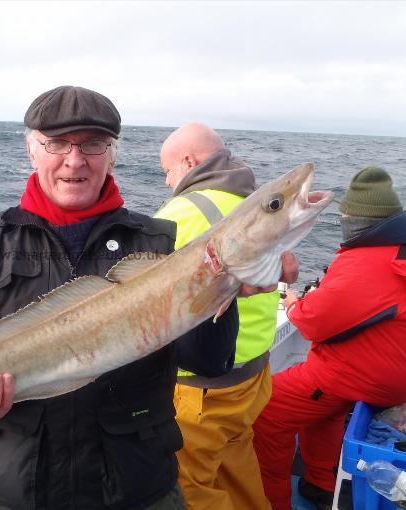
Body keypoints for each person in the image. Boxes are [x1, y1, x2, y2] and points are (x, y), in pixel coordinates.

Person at [0, 86, 243, 510]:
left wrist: (223, 284)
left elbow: (208, 361)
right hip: (18, 493)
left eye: (92, 145)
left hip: (137, 490)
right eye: (57, 143)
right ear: (32, 151)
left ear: (111, 154)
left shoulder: (156, 242)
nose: (74, 161)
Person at [252, 166, 406, 510]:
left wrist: (296, 304)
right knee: (323, 409)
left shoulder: (365, 261)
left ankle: (273, 502)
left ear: (360, 219)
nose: (342, 219)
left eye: (345, 215)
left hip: (362, 374)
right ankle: (321, 484)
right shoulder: (402, 247)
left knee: (269, 407)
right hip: (394, 370)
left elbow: (312, 323)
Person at [154, 123, 287, 510]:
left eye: (167, 171)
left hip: (203, 387)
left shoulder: (182, 212)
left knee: (187, 485)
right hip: (253, 374)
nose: (167, 183)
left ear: (188, 161)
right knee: (237, 467)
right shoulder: (250, 201)